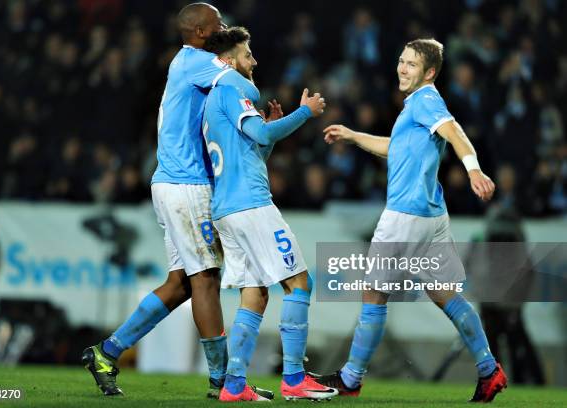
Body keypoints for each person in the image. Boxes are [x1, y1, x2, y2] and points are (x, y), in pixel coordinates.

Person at [82, 3, 271, 399]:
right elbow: (246, 84)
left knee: (181, 283)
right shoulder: (200, 62)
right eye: (218, 24)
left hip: (172, 182)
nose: (224, 28)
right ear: (201, 32)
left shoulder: (189, 63)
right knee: (206, 279)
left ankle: (106, 352)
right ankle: (223, 382)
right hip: (187, 186)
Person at [314, 39, 508, 403]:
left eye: (412, 64)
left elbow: (456, 133)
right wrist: (354, 136)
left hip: (405, 215)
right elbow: (396, 147)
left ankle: (351, 378)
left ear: (429, 72)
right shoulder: (416, 107)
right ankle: (488, 370)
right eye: (401, 61)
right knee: (445, 293)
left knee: (374, 293)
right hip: (431, 214)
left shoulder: (426, 99)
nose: (402, 68)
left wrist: (473, 170)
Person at [202, 27, 337, 402]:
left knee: (255, 294)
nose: (254, 61)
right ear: (229, 61)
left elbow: (254, 149)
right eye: (248, 54)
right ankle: (294, 378)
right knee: (299, 283)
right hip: (252, 206)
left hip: (227, 209)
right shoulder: (232, 87)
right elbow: (259, 135)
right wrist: (303, 113)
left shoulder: (215, 100)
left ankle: (233, 385)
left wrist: (273, 130)